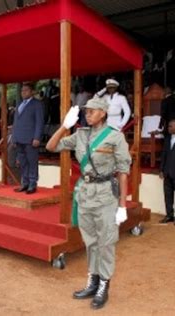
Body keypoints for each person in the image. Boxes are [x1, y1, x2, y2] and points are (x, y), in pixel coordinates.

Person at [46, 98, 131, 310]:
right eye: (86, 112)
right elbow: (51, 146)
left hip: (105, 196)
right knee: (90, 241)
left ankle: (104, 284)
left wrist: (122, 205)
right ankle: (92, 281)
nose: (87, 114)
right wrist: (65, 126)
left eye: (92, 111)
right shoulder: (80, 135)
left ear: (103, 113)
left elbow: (123, 172)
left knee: (106, 242)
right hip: (84, 195)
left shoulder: (115, 136)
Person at [12, 82, 44, 194]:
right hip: (19, 138)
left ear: (32, 92)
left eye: (26, 90)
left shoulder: (37, 104)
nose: (23, 92)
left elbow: (40, 122)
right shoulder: (19, 104)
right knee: (22, 162)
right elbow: (16, 122)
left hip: (31, 139)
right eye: (22, 91)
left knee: (32, 162)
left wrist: (37, 137)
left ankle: (32, 184)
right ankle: (24, 183)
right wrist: (14, 137)